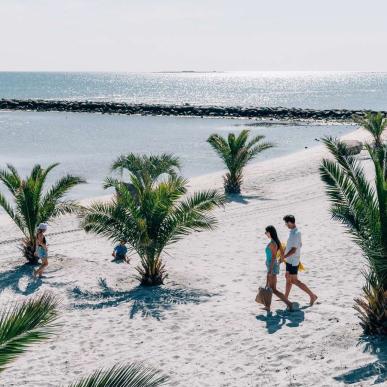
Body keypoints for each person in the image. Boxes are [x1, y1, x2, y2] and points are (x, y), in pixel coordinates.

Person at [283, 215, 318, 305]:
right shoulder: (291, 232)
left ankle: (312, 296)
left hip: (293, 261)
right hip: (288, 260)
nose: (286, 225)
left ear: (290, 222)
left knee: (294, 281)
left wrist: (285, 256)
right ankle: (285, 298)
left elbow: (294, 249)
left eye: (286, 223)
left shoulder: (297, 233)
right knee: (287, 278)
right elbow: (297, 245)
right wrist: (284, 254)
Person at [264, 225, 293, 311]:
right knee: (270, 287)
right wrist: (279, 261)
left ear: (270, 232)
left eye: (266, 232)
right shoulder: (274, 241)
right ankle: (267, 306)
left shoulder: (273, 243)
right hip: (272, 266)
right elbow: (282, 252)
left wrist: (270, 270)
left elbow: (273, 257)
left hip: (272, 267)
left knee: (273, 289)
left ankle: (289, 303)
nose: (265, 233)